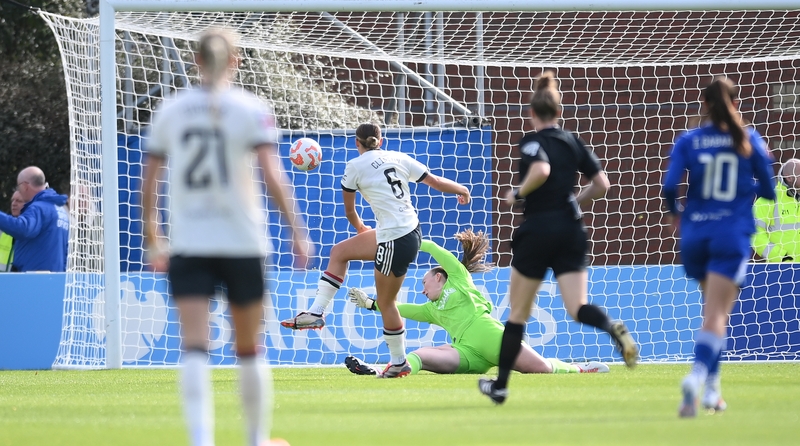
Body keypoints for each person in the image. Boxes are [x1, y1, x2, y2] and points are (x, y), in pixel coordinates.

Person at [142, 29, 311, 446]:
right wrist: (297, 230)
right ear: (235, 60)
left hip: (189, 242)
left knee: (195, 347)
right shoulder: (250, 108)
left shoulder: (171, 109)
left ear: (195, 60)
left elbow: (150, 180)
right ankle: (256, 440)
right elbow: (273, 176)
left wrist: (153, 234)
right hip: (242, 242)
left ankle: (201, 441)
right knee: (250, 348)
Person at [478, 71, 638, 405]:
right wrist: (574, 203)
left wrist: (518, 193)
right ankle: (612, 328)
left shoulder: (532, 140)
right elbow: (602, 184)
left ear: (533, 113)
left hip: (537, 230)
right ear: (559, 112)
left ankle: (501, 386)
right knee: (577, 307)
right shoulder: (572, 140)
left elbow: (541, 170)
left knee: (518, 314)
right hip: (571, 229)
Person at [280, 122, 471, 378]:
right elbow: (435, 182)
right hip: (403, 231)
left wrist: (360, 227)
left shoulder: (354, 167)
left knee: (386, 302)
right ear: (380, 141)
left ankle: (399, 362)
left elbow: (350, 211)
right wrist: (462, 189)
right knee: (339, 252)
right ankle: (315, 313)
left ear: (357, 143)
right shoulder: (398, 157)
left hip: (395, 238)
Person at [344, 230, 610, 376]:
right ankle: (380, 371)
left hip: (488, 336)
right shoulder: (431, 310)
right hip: (467, 353)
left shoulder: (458, 279)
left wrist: (412, 242)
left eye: (424, 284)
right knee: (420, 356)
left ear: (439, 277)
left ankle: (579, 369)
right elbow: (397, 308)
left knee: (540, 369)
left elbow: (438, 250)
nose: (422, 291)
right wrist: (371, 304)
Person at [663, 77, 775, 418]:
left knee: (710, 314)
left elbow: (669, 186)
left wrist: (676, 215)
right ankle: (696, 380)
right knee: (717, 316)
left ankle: (713, 393)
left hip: (696, 234)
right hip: (731, 234)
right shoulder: (747, 138)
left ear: (704, 105)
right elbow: (770, 189)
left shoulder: (690, 140)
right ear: (735, 104)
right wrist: (746, 184)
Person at [0, 167, 69, 272]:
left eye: (19, 187)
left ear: (25, 186)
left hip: (35, 279)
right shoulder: (60, 210)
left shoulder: (39, 208)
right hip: (54, 278)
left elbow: (22, 228)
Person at [752, 157, 800, 262]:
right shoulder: (768, 199)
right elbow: (755, 234)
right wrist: (782, 257)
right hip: (780, 271)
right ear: (789, 177)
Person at [0, 191, 25, 272]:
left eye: (19, 201)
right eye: (12, 200)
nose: (14, 204)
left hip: (18, 280)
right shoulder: (3, 227)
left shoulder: (30, 231)